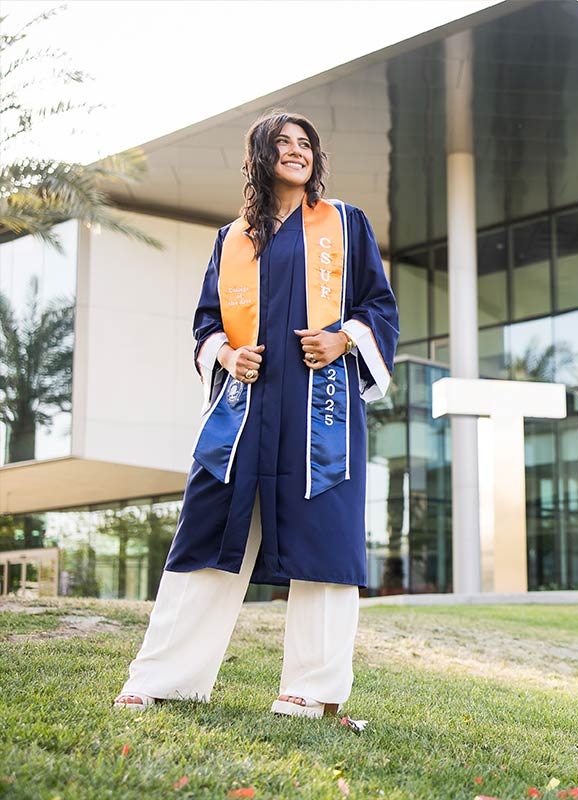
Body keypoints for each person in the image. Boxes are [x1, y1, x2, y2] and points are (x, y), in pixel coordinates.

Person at [112, 109, 400, 718]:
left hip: (320, 411)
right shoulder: (232, 237)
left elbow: (379, 305)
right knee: (206, 534)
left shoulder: (346, 224)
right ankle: (166, 676)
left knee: (322, 541)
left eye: (306, 145)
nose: (297, 152)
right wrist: (227, 353)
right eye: (284, 143)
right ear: (261, 157)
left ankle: (312, 690)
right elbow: (205, 324)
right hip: (243, 411)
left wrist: (345, 339)